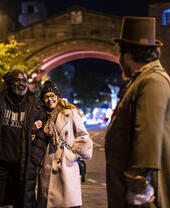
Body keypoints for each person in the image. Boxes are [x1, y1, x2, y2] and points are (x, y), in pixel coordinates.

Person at [105, 16, 170, 208]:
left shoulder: (152, 81)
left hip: (143, 197)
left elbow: (147, 134)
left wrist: (137, 185)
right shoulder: (142, 80)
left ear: (126, 55)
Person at [25, 80, 93, 208]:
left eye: (52, 96)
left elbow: (83, 136)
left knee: (67, 203)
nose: (49, 99)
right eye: (46, 96)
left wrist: (72, 156)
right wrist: (33, 130)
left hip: (66, 165)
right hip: (46, 165)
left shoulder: (70, 112)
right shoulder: (40, 116)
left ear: (57, 97)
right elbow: (33, 142)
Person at [0, 69, 41, 208]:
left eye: (24, 80)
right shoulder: (1, 100)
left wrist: (34, 158)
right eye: (17, 80)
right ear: (9, 82)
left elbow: (44, 130)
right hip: (1, 163)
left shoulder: (34, 104)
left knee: (21, 202)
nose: (21, 84)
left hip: (22, 164)